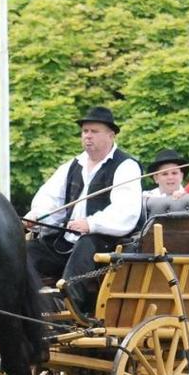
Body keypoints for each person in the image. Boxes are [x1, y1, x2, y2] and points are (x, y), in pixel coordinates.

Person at [23, 106, 142, 315]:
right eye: (85, 131)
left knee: (86, 243)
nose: (87, 136)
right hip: (67, 242)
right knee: (27, 252)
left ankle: (68, 305)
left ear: (111, 135)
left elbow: (126, 211)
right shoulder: (73, 165)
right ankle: (17, 297)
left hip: (107, 244)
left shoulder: (126, 166)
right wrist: (37, 215)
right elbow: (51, 199)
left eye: (94, 131)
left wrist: (91, 224)